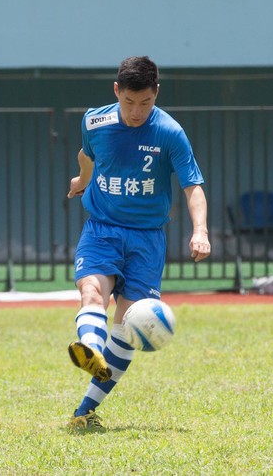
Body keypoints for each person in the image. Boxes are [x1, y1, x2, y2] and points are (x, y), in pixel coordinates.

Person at [66, 56, 211, 430]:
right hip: (102, 229)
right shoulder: (94, 121)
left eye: (145, 102)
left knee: (128, 328)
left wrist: (200, 231)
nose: (136, 112)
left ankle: (84, 411)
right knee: (92, 293)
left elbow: (193, 186)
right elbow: (87, 155)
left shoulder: (170, 132)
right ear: (117, 91)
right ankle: (91, 349)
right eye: (129, 101)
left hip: (147, 240)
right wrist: (82, 180)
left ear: (156, 93)